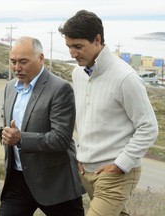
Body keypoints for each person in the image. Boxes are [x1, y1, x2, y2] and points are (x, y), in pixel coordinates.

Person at [58, 10, 159, 216]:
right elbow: (85, 120)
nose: (72, 53)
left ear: (97, 40)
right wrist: (82, 155)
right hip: (87, 171)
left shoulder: (125, 78)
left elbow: (149, 127)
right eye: (69, 47)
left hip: (116, 174)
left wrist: (121, 165)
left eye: (78, 46)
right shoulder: (78, 73)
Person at [0, 36, 84, 216]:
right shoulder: (10, 87)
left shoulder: (60, 88)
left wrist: (20, 138)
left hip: (55, 182)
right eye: (13, 62)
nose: (17, 67)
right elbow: (11, 127)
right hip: (17, 181)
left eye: (23, 62)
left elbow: (61, 139)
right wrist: (5, 134)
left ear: (41, 58)